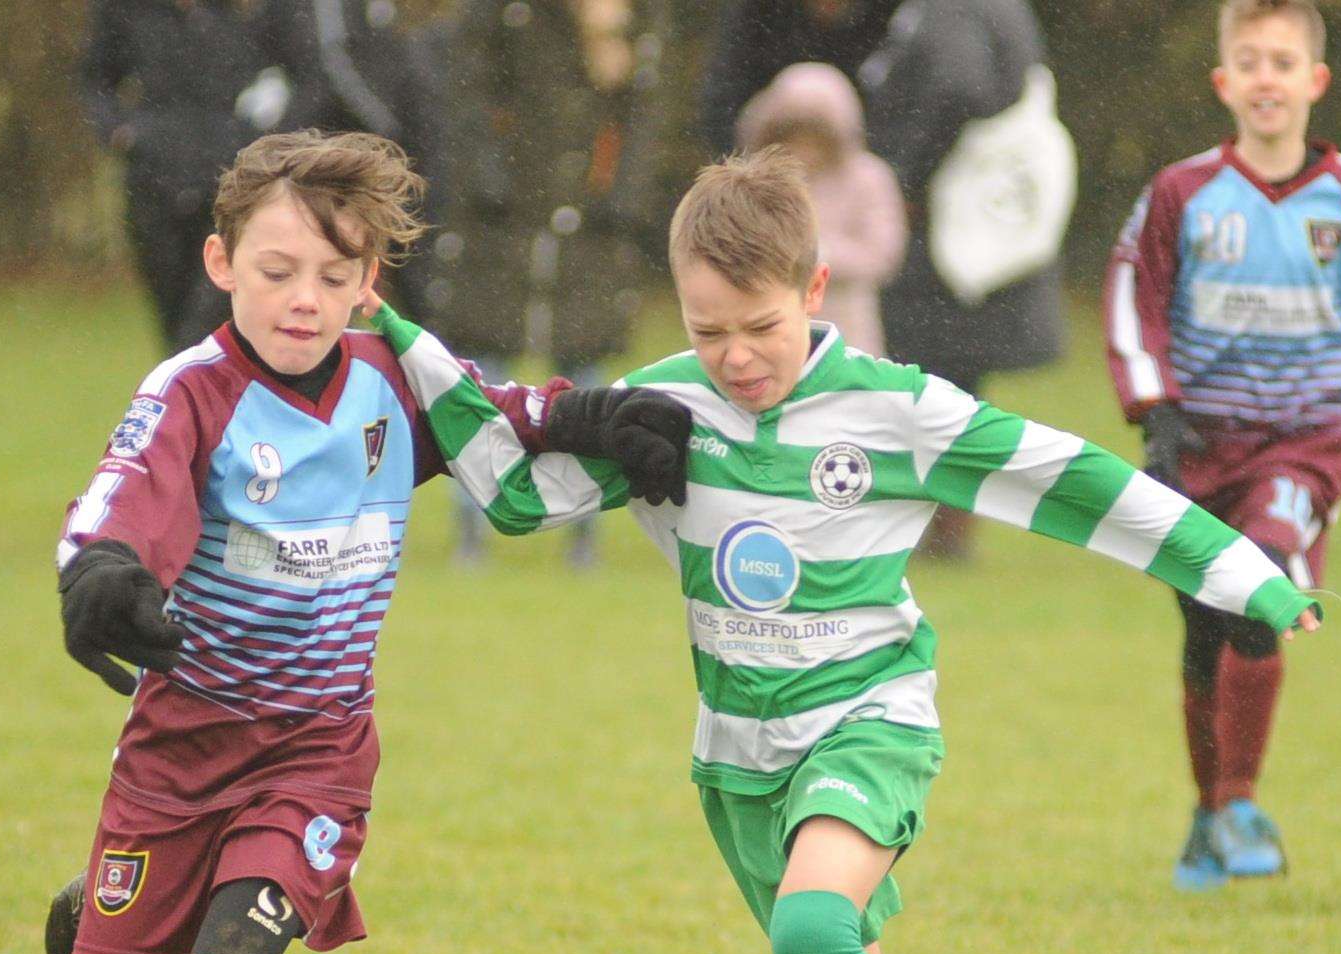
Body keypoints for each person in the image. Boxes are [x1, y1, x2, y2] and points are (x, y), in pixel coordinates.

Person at [381, 148, 1321, 954]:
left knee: (814, 931)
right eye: (706, 326)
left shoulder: (895, 409)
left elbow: (1070, 480)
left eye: (759, 326)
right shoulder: (666, 403)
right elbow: (515, 492)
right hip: (735, 754)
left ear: (816, 288)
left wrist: (1242, 571)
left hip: (870, 721)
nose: (734, 356)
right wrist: (398, 337)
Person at [42, 130, 687, 954]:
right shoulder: (192, 393)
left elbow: (502, 420)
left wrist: (595, 419)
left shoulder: (392, 379)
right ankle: (96, 916)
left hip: (316, 755)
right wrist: (106, 573)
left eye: (334, 278)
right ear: (220, 264)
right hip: (177, 756)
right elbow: (125, 499)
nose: (305, 300)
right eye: (277, 272)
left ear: (368, 283)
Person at [1104, 0, 1341, 891]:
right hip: (1203, 442)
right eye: (1250, 61)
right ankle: (1209, 811)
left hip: (1311, 437)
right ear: (1224, 82)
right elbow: (1132, 294)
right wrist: (1157, 407)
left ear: (1314, 81)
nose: (1267, 77)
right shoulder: (1182, 192)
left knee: (1258, 585)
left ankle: (1242, 798)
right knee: (1201, 623)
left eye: (1283, 61)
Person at [703, 0, 1072, 560]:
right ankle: (905, 523)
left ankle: (933, 527)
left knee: (932, 389)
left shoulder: (955, 15)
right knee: (926, 391)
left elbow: (957, 84)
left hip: (951, 238)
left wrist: (898, 169)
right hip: (962, 235)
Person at [426, 0, 668, 566]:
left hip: (591, 231)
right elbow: (466, 90)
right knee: (484, 378)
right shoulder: (503, 17)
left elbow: (643, 121)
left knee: (584, 379)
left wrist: (621, 201)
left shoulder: (633, 22)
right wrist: (488, 172)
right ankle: (474, 524)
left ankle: (582, 528)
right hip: (499, 226)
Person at [79, 0, 439, 354]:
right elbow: (94, 79)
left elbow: (288, 73)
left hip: (227, 181)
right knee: (176, 322)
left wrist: (255, 135)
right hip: (155, 181)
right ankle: (197, 398)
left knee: (209, 321)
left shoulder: (243, 14)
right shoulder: (126, 11)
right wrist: (122, 132)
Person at [735, 62, 905, 356]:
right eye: (792, 137)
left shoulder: (869, 178)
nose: (804, 150)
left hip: (846, 325)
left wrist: (817, 255)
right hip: (767, 322)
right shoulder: (756, 180)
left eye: (814, 138)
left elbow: (883, 253)